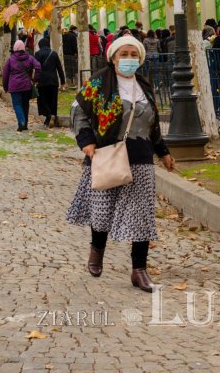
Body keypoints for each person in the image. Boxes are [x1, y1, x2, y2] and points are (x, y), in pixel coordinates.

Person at [67, 35, 174, 292]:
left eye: (133, 54)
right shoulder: (99, 83)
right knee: (102, 211)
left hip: (141, 159)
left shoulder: (144, 87)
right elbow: (78, 111)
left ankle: (139, 271)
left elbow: (153, 125)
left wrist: (164, 152)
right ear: (113, 58)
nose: (128, 59)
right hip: (106, 155)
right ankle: (97, 252)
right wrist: (86, 141)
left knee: (142, 218)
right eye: (123, 54)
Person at [3, 40, 41, 132]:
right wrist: (35, 79)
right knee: (25, 105)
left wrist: (5, 86)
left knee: (17, 104)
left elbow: (5, 74)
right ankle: (24, 125)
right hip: (26, 86)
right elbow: (38, 66)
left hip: (14, 86)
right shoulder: (30, 58)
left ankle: (21, 121)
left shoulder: (11, 59)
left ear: (15, 48)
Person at [35, 37, 66, 127]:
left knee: (43, 100)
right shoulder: (54, 53)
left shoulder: (38, 54)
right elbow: (59, 68)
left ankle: (48, 116)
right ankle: (52, 116)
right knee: (53, 100)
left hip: (42, 81)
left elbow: (36, 68)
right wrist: (63, 81)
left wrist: (34, 79)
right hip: (53, 80)